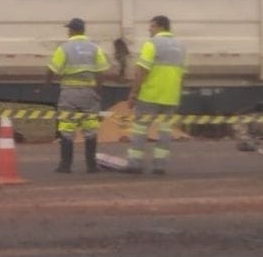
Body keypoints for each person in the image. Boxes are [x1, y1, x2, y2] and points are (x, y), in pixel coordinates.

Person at [46, 17, 111, 173]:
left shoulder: (64, 48)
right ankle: (91, 165)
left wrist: (47, 84)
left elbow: (52, 68)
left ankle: (65, 165)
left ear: (72, 30)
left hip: (69, 92)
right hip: (89, 92)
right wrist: (98, 91)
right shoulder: (94, 48)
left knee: (67, 126)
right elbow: (101, 71)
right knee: (90, 128)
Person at [126, 15, 187, 174]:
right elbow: (182, 74)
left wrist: (133, 93)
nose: (149, 29)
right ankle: (160, 166)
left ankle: (135, 163)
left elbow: (141, 71)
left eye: (151, 26)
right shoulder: (181, 47)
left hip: (150, 95)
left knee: (140, 129)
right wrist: (177, 95)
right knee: (165, 131)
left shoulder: (151, 44)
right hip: (170, 97)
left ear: (160, 26)